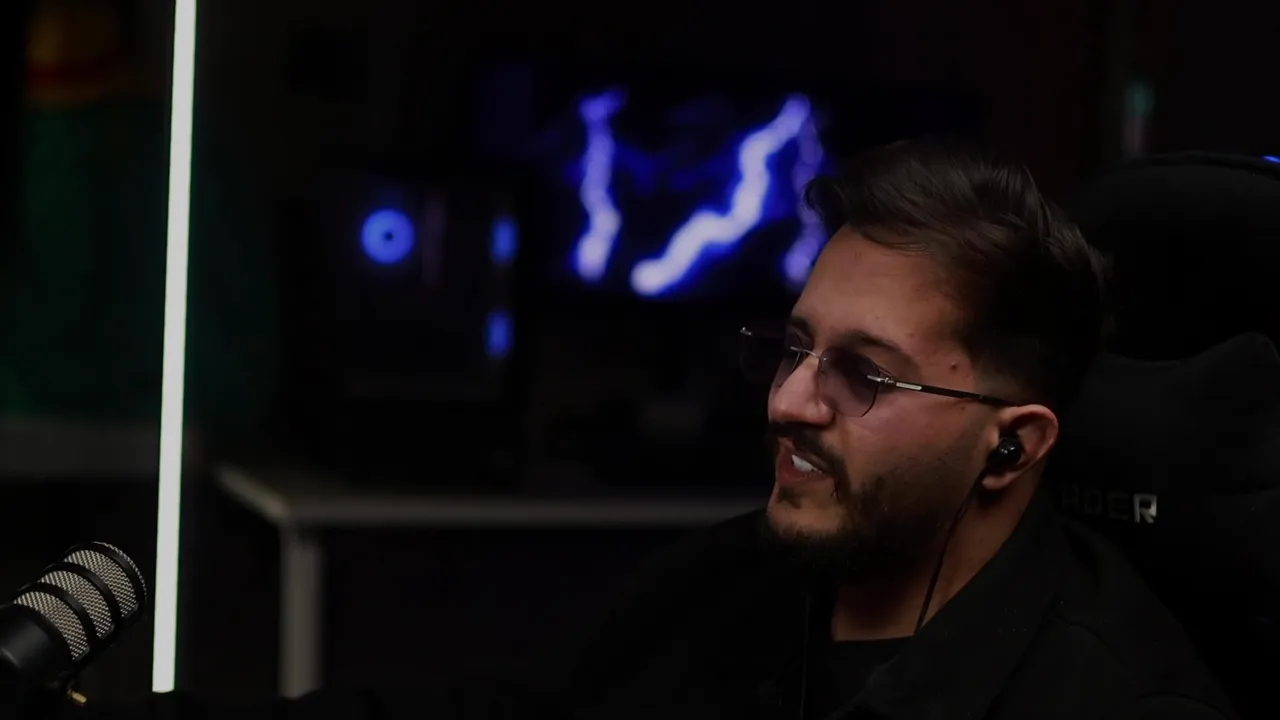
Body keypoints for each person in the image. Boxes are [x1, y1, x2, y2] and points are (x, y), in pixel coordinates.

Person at [36, 139, 1235, 720]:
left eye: (863, 377)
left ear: (1010, 447)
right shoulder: (744, 580)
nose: (786, 402)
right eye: (793, 347)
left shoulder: (1110, 698)